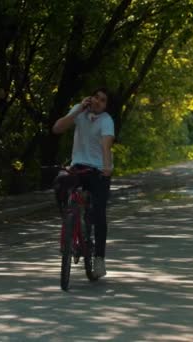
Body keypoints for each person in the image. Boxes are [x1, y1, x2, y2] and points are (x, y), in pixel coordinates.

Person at [52, 88, 114, 278]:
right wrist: (78, 110)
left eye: (102, 100)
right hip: (77, 166)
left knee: (99, 213)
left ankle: (99, 259)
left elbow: (105, 145)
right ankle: (69, 220)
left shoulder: (106, 121)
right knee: (59, 182)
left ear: (105, 106)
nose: (97, 102)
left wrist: (106, 166)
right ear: (90, 97)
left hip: (97, 169)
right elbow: (57, 128)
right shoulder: (80, 111)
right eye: (96, 97)